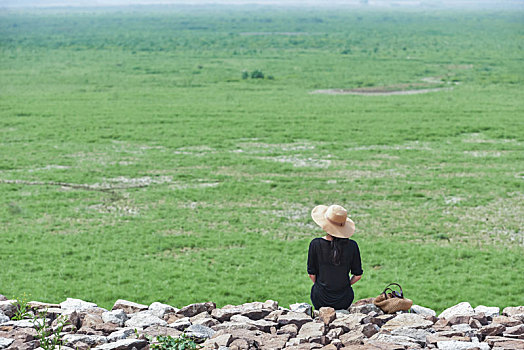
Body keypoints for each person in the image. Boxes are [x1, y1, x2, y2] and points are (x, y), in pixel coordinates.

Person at [307, 204, 363, 310]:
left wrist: (321, 286)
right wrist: (346, 285)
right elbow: (358, 275)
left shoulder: (315, 244)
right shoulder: (352, 245)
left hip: (320, 298)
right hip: (344, 299)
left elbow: (311, 274)